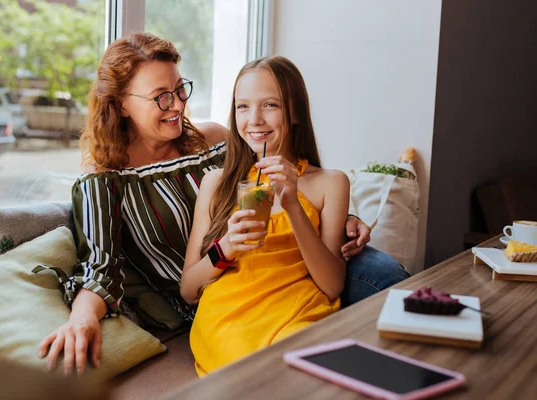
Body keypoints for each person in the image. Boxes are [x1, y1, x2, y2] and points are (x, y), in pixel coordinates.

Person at [36, 31, 407, 376]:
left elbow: (278, 165)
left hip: (294, 264)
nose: (177, 104)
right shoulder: (105, 178)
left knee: (392, 282)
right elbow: (101, 264)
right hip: (218, 284)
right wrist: (82, 318)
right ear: (120, 105)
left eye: (180, 89)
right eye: (161, 96)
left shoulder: (211, 140)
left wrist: (340, 216)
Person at [182, 55, 350, 375]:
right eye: (243, 106)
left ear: (295, 111)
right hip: (228, 323)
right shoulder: (216, 184)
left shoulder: (331, 183)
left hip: (299, 316)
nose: (254, 119)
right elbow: (188, 290)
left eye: (269, 105)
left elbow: (332, 286)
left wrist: (293, 207)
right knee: (270, 375)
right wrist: (227, 246)